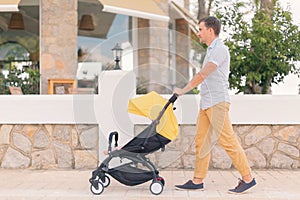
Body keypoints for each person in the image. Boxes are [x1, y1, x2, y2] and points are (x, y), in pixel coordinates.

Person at [173, 16, 256, 194]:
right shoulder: (211, 50)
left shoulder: (220, 49)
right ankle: (197, 180)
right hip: (206, 103)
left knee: (228, 140)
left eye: (201, 29)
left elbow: (203, 74)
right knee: (202, 142)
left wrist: (183, 90)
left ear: (211, 30)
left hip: (217, 103)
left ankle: (248, 178)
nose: (198, 33)